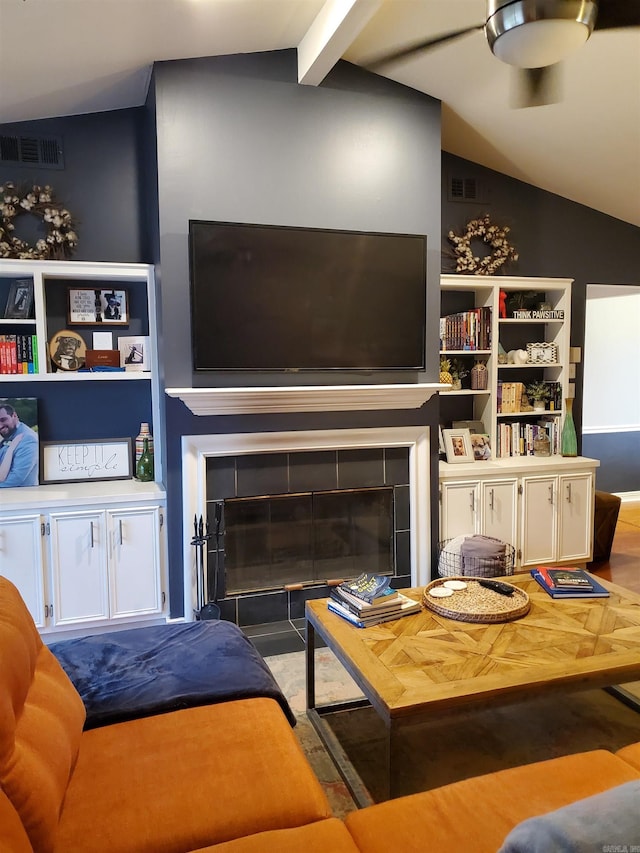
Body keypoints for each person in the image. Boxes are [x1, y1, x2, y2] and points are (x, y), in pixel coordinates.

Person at [0, 403, 39, 487]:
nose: (0, 425)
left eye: (3, 420)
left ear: (14, 416)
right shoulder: (10, 434)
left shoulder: (28, 439)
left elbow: (16, 478)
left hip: (20, 496)